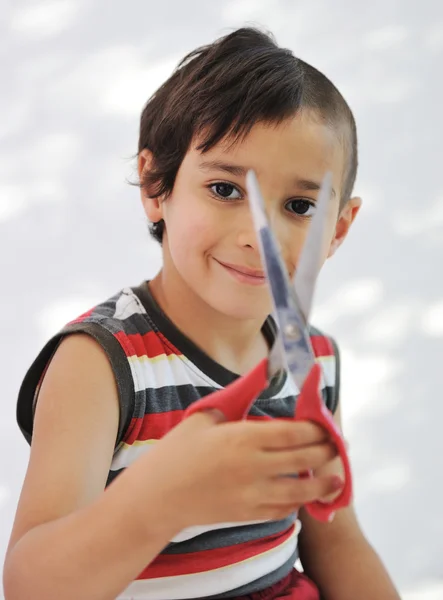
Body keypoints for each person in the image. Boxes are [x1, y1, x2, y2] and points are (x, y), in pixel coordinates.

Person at [3, 27, 400, 600]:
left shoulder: (313, 360)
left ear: (337, 229)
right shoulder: (101, 363)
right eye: (225, 189)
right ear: (155, 184)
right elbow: (31, 588)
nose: (257, 235)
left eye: (299, 206)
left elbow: (337, 543)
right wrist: (162, 498)